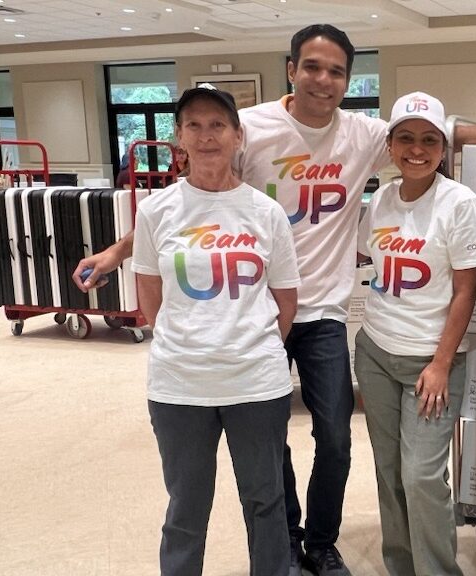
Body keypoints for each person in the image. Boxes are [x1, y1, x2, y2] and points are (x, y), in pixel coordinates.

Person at [72, 23, 476, 576]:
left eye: (336, 71)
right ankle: (285, 539)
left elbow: (444, 134)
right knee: (268, 443)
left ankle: (321, 541)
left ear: (348, 80)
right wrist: (116, 251)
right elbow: (191, 202)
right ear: (291, 69)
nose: (323, 80)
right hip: (255, 313)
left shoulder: (366, 134)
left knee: (336, 438)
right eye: (312, 67)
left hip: (321, 311)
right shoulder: (248, 127)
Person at [131, 85, 300, 576]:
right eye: (195, 125)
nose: (207, 136)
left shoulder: (265, 212)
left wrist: (248, 344)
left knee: (265, 501)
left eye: (218, 125)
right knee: (186, 506)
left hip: (256, 382)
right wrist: (192, 342)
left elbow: (285, 300)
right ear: (179, 137)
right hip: (180, 384)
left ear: (238, 136)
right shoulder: (156, 211)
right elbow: (150, 300)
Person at [354, 91, 476, 576]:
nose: (417, 149)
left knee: (422, 476)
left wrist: (441, 364)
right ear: (390, 146)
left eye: (429, 140)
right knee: (389, 471)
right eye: (405, 138)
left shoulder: (460, 204)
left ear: (443, 148)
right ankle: (401, 566)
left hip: (432, 361)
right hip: (375, 351)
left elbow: (466, 292)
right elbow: (366, 260)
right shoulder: (382, 199)